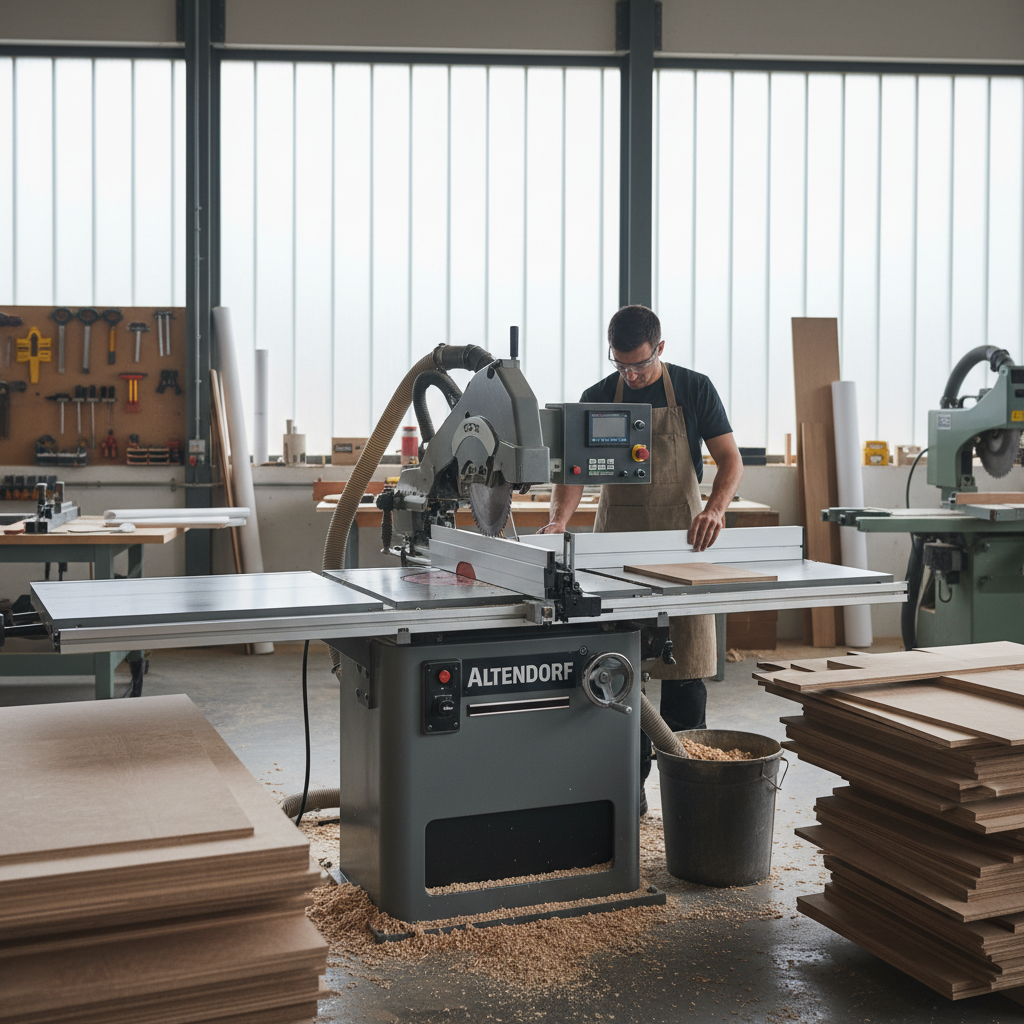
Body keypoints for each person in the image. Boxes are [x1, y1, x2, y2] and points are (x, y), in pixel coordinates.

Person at [539, 305, 744, 812]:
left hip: (686, 547)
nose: (630, 375)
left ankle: (687, 794)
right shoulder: (596, 399)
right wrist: (559, 521)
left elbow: (730, 460)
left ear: (660, 349)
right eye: (621, 365)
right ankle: (626, 797)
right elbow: (573, 476)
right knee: (617, 675)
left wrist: (716, 510)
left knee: (686, 679)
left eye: (640, 365)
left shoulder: (694, 390)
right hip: (618, 549)